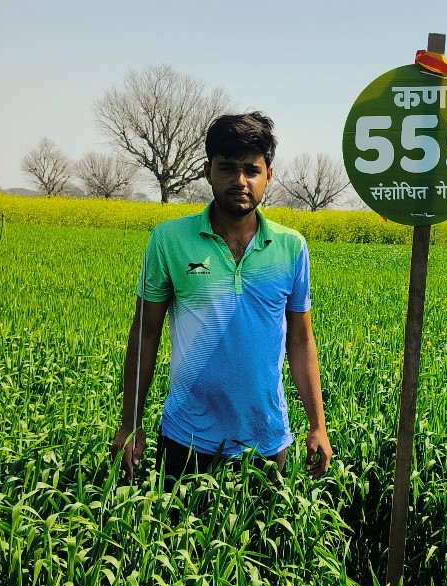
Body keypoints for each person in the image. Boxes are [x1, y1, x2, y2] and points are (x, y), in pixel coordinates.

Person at [109, 111, 333, 485]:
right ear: (207, 171)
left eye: (252, 169)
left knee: (261, 540)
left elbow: (300, 338)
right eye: (227, 168)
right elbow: (145, 333)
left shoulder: (292, 247)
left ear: (269, 175)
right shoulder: (169, 240)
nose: (240, 181)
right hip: (185, 435)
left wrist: (318, 426)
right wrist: (130, 424)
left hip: (266, 438)